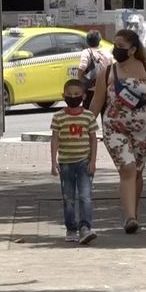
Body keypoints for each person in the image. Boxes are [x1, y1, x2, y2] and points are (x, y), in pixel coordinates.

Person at [90, 29, 146, 234]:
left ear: (132, 50)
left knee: (137, 172)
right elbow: (96, 102)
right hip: (114, 129)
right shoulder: (108, 72)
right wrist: (85, 125)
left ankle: (134, 212)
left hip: (144, 131)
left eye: (121, 46)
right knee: (128, 168)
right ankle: (129, 217)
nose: (116, 49)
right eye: (115, 45)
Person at [51, 79, 99, 245]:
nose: (73, 97)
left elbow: (93, 139)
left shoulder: (88, 116)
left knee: (85, 196)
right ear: (63, 95)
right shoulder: (58, 117)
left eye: (77, 94)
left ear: (83, 96)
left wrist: (93, 161)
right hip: (65, 163)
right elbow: (55, 139)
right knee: (68, 197)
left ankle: (85, 227)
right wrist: (53, 162)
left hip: (84, 162)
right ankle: (71, 228)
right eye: (69, 94)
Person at [76, 30, 113, 110]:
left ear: (87, 41)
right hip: (104, 89)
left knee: (88, 113)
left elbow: (82, 67)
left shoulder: (86, 52)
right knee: (105, 112)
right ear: (99, 40)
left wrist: (79, 79)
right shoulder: (107, 54)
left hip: (91, 89)